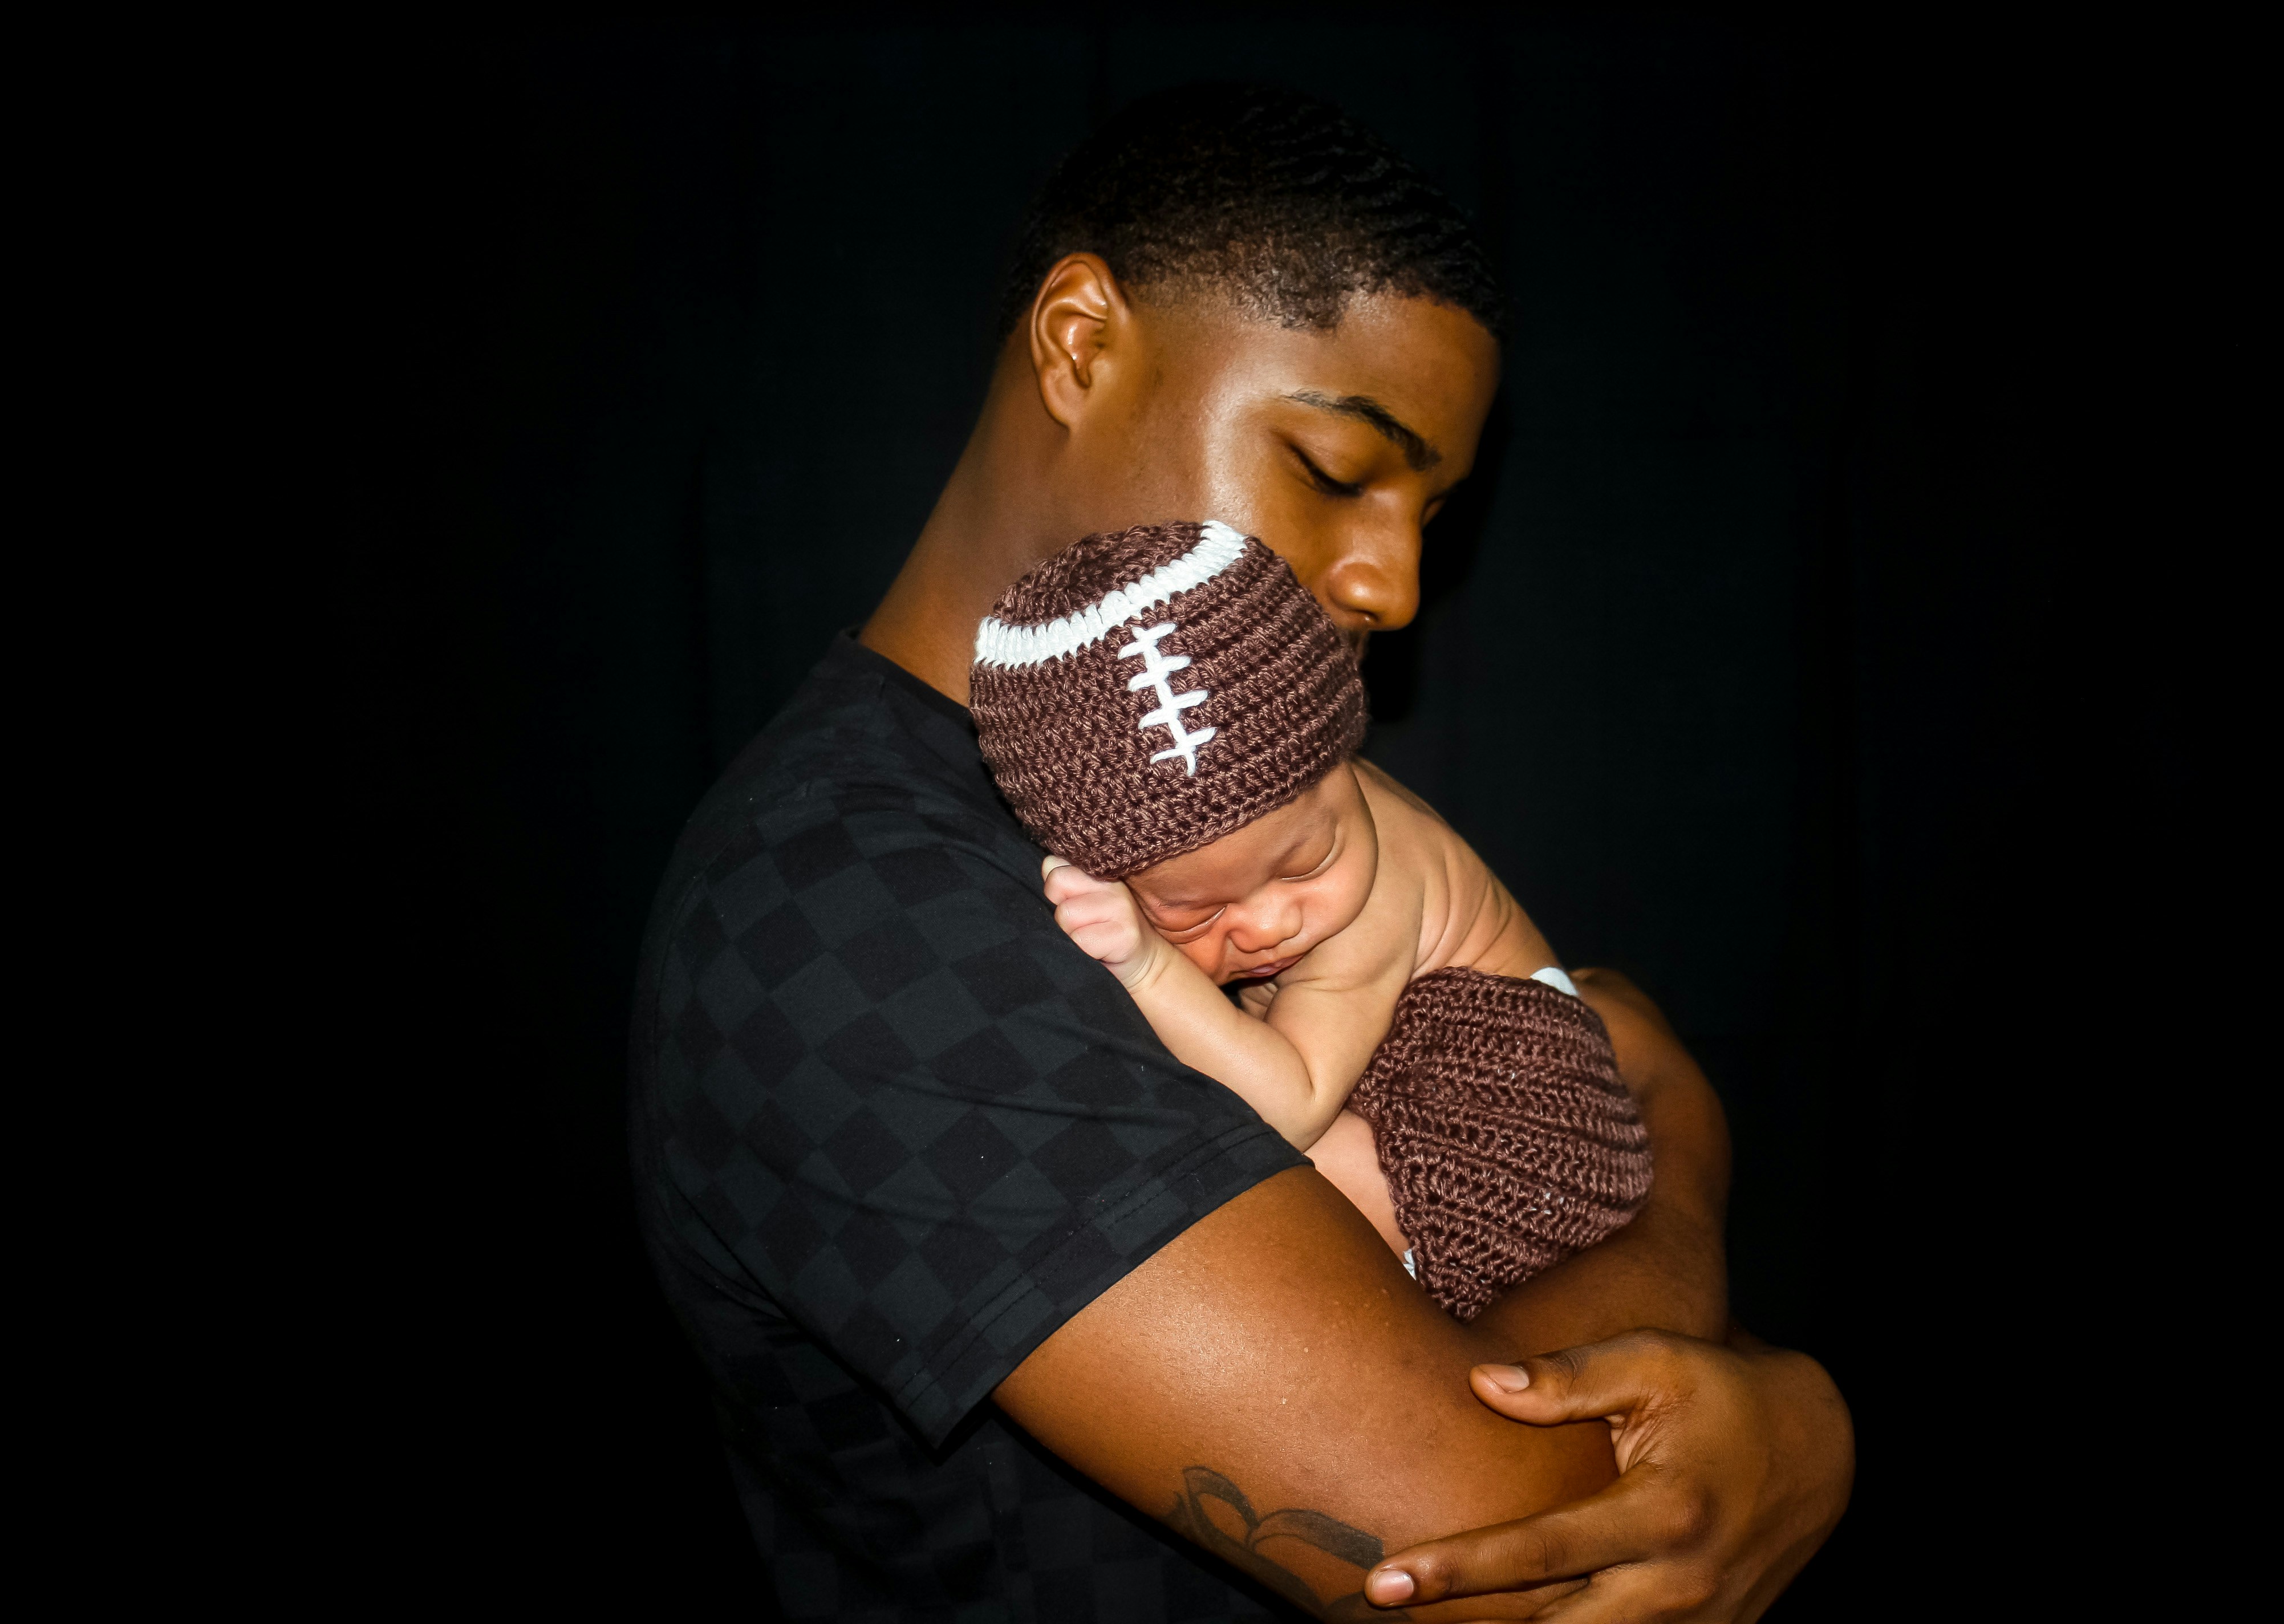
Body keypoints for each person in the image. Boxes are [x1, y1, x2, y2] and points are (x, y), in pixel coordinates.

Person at [631, 84, 1852, 1621]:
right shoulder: (852, 919)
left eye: (1433, 512)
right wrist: (1659, 1091)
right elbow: (1505, 1564)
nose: (1395, 584)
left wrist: (1778, 1411)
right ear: (1081, 345)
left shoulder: (1239, 790)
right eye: (1341, 469)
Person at [969, 518, 1653, 1320]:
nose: (1267, 925)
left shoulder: (1380, 896)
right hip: (1415, 1114)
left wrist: (1151, 962)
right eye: (1194, 910)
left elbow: (1291, 1103)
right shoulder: (1302, 833)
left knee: (1231, 1167)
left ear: (1342, 756)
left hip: (1525, 1148)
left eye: (1306, 865)